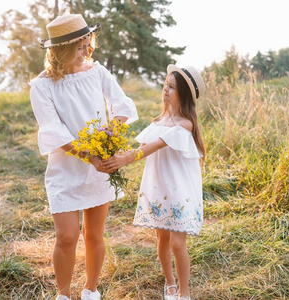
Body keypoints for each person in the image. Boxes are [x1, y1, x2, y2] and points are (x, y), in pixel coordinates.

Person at [29, 14, 138, 300]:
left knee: (94, 234)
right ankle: (63, 295)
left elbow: (122, 104)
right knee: (67, 236)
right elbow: (53, 130)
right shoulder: (42, 86)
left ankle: (91, 289)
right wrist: (89, 154)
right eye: (79, 48)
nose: (86, 52)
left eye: (87, 45)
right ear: (60, 51)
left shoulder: (97, 72)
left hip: (98, 168)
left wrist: (110, 138)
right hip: (66, 169)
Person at [102, 65, 206, 300]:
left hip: (179, 190)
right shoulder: (159, 120)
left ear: (184, 95)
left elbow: (158, 144)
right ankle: (169, 283)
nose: (165, 91)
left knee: (178, 244)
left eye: (172, 87)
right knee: (162, 240)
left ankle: (184, 292)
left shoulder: (185, 124)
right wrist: (119, 152)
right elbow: (143, 147)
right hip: (159, 188)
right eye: (165, 85)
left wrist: (127, 158)